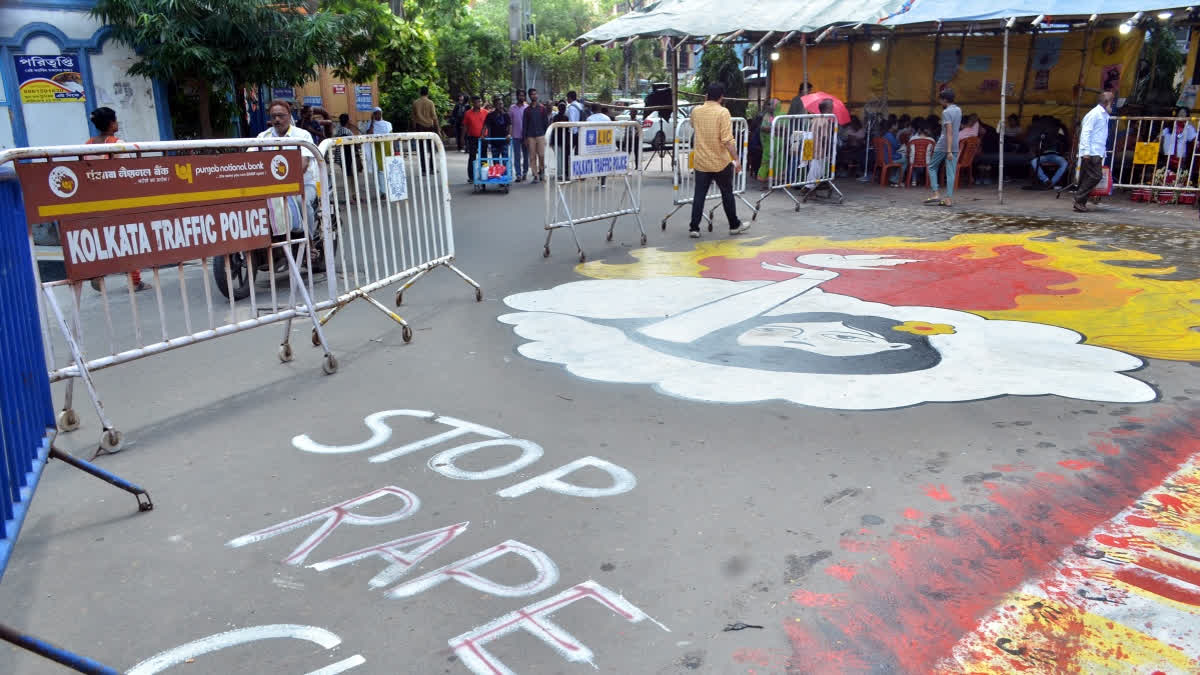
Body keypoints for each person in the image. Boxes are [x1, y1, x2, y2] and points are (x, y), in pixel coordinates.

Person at [84, 107, 149, 292]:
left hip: (96, 198)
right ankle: (134, 281)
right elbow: (128, 171)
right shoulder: (116, 143)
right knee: (128, 237)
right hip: (118, 198)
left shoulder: (87, 144)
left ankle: (98, 272)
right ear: (112, 123)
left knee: (104, 237)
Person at [687, 83, 749, 238]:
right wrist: (737, 159)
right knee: (727, 193)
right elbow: (727, 140)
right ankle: (734, 225)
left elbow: (693, 125)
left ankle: (694, 228)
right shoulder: (723, 112)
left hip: (701, 161)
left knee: (699, 195)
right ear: (722, 97)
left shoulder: (696, 111)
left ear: (706, 96)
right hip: (720, 161)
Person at [256, 99, 318, 233]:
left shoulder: (302, 135)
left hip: (303, 185)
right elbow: (251, 160)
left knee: (302, 203)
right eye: (273, 116)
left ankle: (310, 242)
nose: (277, 119)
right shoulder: (263, 137)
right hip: (272, 189)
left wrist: (285, 183)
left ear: (289, 116)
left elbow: (304, 163)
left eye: (281, 116)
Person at [1074, 91, 1114, 212]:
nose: (1112, 105)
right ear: (1107, 102)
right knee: (1096, 176)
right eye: (1112, 102)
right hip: (1092, 151)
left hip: (1097, 151)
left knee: (1088, 176)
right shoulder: (1095, 114)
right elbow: (1086, 132)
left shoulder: (1103, 115)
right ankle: (1079, 199)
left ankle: (1080, 202)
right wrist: (1086, 151)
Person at [924, 88, 961, 207]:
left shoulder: (946, 112)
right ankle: (948, 199)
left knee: (932, 166)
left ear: (945, 100)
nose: (940, 102)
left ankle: (936, 193)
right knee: (951, 173)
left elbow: (948, 132)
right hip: (955, 143)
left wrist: (948, 150)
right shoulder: (958, 110)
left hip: (944, 144)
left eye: (940, 100)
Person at [1029, 116, 1069, 189]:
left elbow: (1065, 143)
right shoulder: (1044, 132)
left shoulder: (1059, 131)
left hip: (1056, 156)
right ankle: (1046, 180)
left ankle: (1052, 182)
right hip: (1045, 155)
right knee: (1034, 162)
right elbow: (1036, 142)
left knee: (1065, 163)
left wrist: (1059, 135)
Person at [412, 85, 441, 175]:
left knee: (421, 149)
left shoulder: (415, 103)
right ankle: (432, 168)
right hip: (429, 127)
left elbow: (413, 118)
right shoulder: (430, 103)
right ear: (427, 93)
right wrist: (438, 129)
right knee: (432, 149)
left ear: (420, 92)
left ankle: (424, 170)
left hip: (419, 127)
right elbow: (434, 117)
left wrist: (414, 129)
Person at [364, 106, 393, 194]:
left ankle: (389, 190)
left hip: (387, 147)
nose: (378, 115)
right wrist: (372, 121)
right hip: (377, 148)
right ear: (373, 115)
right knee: (380, 170)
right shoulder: (370, 124)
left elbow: (392, 136)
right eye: (376, 113)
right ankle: (383, 192)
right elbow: (369, 133)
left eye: (379, 112)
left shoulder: (387, 124)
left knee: (388, 168)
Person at [523, 88, 551, 183]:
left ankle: (541, 170)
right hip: (530, 136)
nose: (534, 96)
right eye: (532, 94)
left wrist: (546, 136)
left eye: (535, 94)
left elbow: (546, 123)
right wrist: (525, 138)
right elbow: (524, 125)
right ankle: (535, 175)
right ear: (529, 96)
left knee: (542, 155)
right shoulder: (527, 110)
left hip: (541, 135)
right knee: (532, 157)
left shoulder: (542, 108)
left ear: (537, 95)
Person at [757, 97, 784, 185]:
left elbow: (785, 130)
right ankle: (763, 181)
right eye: (768, 104)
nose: (769, 106)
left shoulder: (783, 116)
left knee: (778, 161)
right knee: (766, 161)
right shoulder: (767, 116)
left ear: (777, 106)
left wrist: (773, 129)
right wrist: (775, 128)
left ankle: (774, 182)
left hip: (780, 144)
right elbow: (763, 128)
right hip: (768, 143)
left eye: (771, 104)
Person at [463, 96, 488, 183]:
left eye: (480, 101)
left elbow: (489, 125)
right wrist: (463, 138)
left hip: (483, 138)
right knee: (472, 157)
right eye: (477, 102)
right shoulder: (468, 113)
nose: (479, 103)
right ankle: (471, 177)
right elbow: (465, 126)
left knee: (484, 156)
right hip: (472, 137)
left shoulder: (485, 112)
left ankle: (484, 174)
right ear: (473, 103)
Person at [564, 91, 586, 179]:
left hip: (574, 133)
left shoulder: (572, 107)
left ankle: (568, 173)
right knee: (579, 153)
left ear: (569, 98)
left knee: (568, 153)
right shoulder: (580, 106)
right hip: (581, 132)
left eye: (567, 98)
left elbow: (572, 122)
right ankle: (580, 173)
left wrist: (571, 135)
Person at [508, 91, 529, 182]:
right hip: (515, 136)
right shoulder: (512, 108)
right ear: (517, 96)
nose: (521, 97)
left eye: (523, 95)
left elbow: (529, 122)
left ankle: (525, 172)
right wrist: (509, 134)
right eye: (520, 95)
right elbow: (510, 123)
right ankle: (518, 175)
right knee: (517, 156)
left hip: (525, 136)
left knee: (526, 156)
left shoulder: (527, 107)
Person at [485, 95, 512, 165]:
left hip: (504, 141)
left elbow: (510, 126)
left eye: (501, 104)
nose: (500, 106)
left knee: (505, 160)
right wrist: (482, 135)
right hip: (494, 141)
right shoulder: (490, 115)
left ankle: (505, 174)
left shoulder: (506, 115)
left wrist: (509, 134)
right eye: (498, 104)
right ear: (495, 105)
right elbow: (486, 126)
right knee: (496, 161)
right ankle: (497, 175)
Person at [907, 119, 934, 186]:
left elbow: (909, 151)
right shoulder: (931, 140)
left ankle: (914, 180)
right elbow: (932, 152)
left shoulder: (912, 139)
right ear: (928, 130)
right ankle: (929, 181)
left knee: (914, 163)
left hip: (913, 160)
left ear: (918, 130)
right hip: (927, 161)